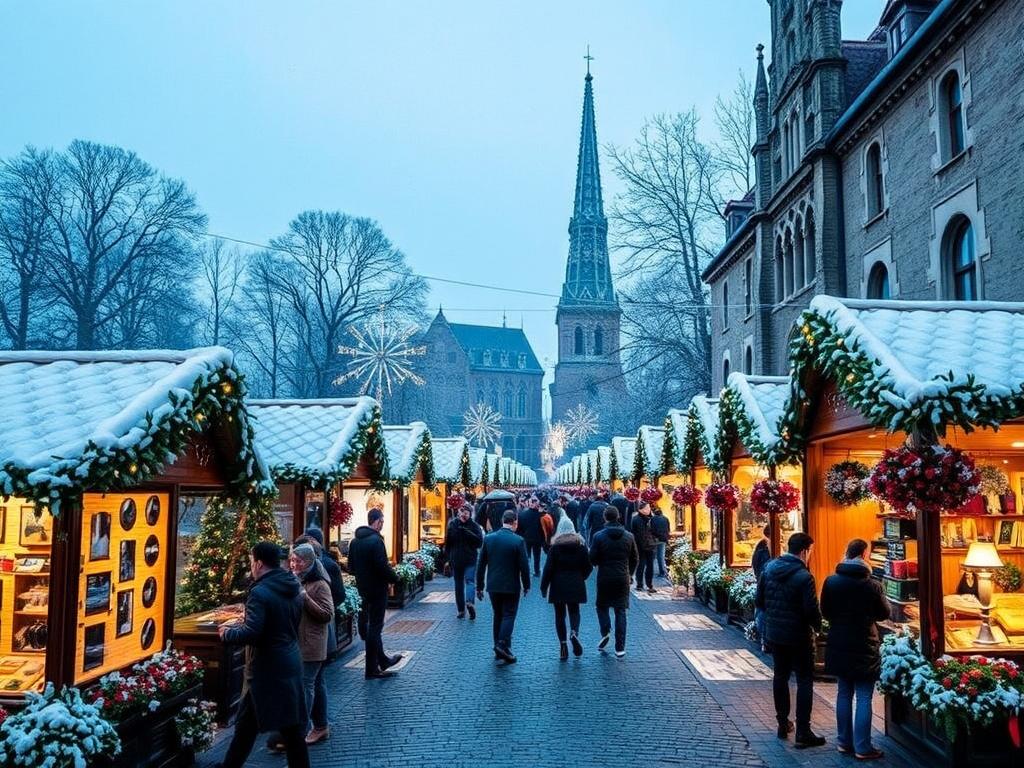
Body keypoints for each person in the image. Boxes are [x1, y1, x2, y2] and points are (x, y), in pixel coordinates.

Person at [219, 542, 310, 768]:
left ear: (258, 563)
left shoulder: (259, 592)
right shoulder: (292, 584)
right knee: (287, 730)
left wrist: (228, 633)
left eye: (252, 561)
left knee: (251, 729)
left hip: (267, 669)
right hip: (289, 661)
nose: (251, 566)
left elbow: (253, 631)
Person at [755, 532, 825, 748]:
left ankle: (782, 723)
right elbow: (811, 609)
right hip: (798, 636)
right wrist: (819, 627)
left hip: (776, 634)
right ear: (804, 551)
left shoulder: (769, 569)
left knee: (780, 676)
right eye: (810, 551)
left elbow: (759, 600)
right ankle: (803, 731)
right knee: (804, 679)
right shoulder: (804, 577)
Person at [821, 539, 889, 761]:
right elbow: (884, 613)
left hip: (839, 641)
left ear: (847, 553)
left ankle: (843, 742)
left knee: (843, 693)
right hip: (864, 644)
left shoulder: (831, 582)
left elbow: (825, 611)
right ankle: (862, 747)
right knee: (863, 696)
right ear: (864, 555)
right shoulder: (872, 585)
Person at [347, 509, 403, 679]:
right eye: (382, 521)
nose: (382, 524)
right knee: (375, 627)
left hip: (362, 589)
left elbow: (351, 567)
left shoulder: (355, 541)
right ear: (377, 521)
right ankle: (372, 669)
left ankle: (382, 661)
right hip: (378, 589)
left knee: (370, 626)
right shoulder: (376, 541)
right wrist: (395, 578)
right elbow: (382, 566)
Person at [288, 543, 334, 746]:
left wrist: (305, 598)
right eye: (292, 560)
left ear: (308, 562)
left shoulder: (320, 584)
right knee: (316, 684)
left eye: (297, 561)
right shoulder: (296, 579)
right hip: (300, 641)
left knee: (306, 685)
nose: (293, 564)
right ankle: (321, 727)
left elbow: (327, 614)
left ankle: (299, 731)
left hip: (312, 643)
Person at [476, 509, 531, 664]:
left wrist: (479, 585)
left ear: (502, 521)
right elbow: (524, 566)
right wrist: (526, 584)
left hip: (493, 585)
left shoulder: (489, 539)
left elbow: (481, 564)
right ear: (515, 522)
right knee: (509, 615)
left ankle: (499, 647)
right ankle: (502, 644)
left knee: (498, 615)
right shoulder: (518, 540)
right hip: (511, 585)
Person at [540, 515, 592, 660]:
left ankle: (563, 645)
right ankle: (574, 632)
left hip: (558, 585)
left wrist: (544, 587)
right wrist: (581, 577)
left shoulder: (555, 548)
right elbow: (588, 567)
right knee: (574, 611)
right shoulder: (581, 547)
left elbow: (548, 569)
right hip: (576, 584)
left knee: (559, 615)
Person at [589, 506, 638, 658]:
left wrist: (599, 563)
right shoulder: (629, 536)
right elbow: (635, 558)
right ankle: (620, 647)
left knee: (601, 606)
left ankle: (605, 631)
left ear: (605, 518)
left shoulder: (598, 536)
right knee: (620, 610)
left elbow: (592, 558)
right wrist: (630, 574)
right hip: (622, 577)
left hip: (604, 577)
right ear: (618, 517)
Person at [445, 502, 484, 619]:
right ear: (458, 513)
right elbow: (448, 543)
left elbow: (479, 543)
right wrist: (447, 559)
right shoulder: (453, 525)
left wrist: (467, 533)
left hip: (469, 559)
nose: (464, 514)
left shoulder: (474, 526)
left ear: (470, 514)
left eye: (466, 512)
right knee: (458, 584)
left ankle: (469, 603)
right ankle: (461, 609)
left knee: (469, 581)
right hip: (456, 559)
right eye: (462, 512)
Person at [751, 525, 771, 649]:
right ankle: (765, 639)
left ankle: (764, 638)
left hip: (761, 584)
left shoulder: (760, 548)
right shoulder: (765, 551)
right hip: (765, 585)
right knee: (763, 611)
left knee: (761, 610)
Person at [630, 501, 658, 593]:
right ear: (641, 509)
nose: (649, 510)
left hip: (650, 545)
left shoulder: (651, 518)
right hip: (641, 546)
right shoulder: (637, 519)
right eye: (647, 508)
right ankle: (640, 584)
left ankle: (648, 585)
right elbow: (638, 534)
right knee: (641, 565)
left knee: (649, 566)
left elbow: (655, 531)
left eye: (649, 508)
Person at [516, 496, 545, 577]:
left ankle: (526, 571)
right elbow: (543, 529)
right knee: (537, 556)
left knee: (526, 556)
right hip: (537, 539)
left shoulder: (522, 514)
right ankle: (537, 571)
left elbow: (519, 529)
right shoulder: (541, 515)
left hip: (526, 538)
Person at [651, 505, 671, 579]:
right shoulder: (666, 518)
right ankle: (663, 572)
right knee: (661, 556)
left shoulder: (653, 519)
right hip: (664, 539)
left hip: (656, 539)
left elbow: (652, 529)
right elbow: (668, 529)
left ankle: (657, 572)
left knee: (655, 556)